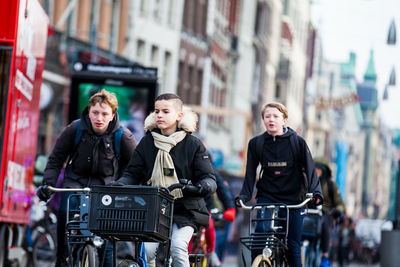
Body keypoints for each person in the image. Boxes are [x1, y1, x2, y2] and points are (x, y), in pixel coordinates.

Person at [113, 93, 217, 267]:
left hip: (186, 210)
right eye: (156, 111)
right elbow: (132, 173)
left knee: (178, 247)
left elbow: (208, 176)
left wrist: (204, 185)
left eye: (165, 111)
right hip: (155, 208)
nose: (159, 115)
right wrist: (121, 184)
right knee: (146, 252)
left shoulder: (193, 144)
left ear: (179, 115)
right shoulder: (146, 143)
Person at [36, 89, 137, 267]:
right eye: (95, 112)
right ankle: (63, 259)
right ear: (88, 111)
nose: (99, 118)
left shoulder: (123, 136)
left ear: (113, 115)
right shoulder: (75, 129)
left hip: (106, 188)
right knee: (64, 213)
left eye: (104, 114)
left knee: (107, 239)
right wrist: (48, 184)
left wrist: (122, 186)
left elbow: (135, 167)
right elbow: (56, 158)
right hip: (74, 183)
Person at [235, 102, 323, 267]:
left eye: (275, 116)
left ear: (284, 120)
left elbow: (310, 169)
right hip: (267, 195)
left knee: (292, 244)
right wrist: (244, 196)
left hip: (295, 198)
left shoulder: (297, 142)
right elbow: (250, 173)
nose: (271, 120)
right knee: (259, 235)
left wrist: (316, 192)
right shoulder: (256, 144)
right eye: (267, 116)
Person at [314, 157, 345, 267]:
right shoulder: (307, 183)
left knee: (324, 223)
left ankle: (325, 256)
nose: (316, 171)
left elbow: (340, 204)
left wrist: (337, 211)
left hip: (326, 214)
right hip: (309, 213)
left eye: (319, 169)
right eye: (314, 169)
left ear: (324, 171)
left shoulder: (331, 185)